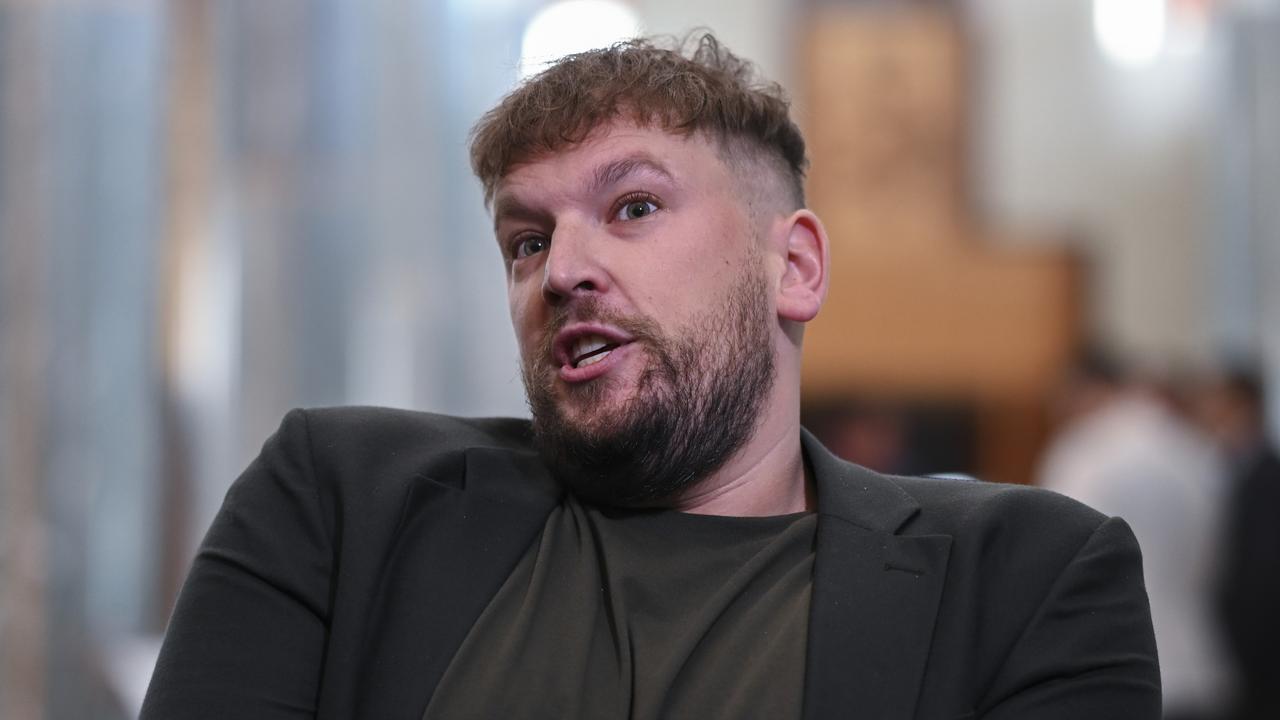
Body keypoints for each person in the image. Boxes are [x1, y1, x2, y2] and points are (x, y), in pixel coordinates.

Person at [141, 34, 1159, 719]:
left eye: (631, 207)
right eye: (525, 241)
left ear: (793, 267)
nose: (563, 271)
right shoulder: (340, 503)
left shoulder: (1025, 581)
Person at [1036, 351, 1230, 720]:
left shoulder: (1085, 451)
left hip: (1115, 672)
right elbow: (1215, 562)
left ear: (1084, 387)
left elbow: (1056, 560)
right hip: (1197, 666)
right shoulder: (1195, 450)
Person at [1197, 367, 1280, 720]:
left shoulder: (1268, 474)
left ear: (1241, 404)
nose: (1208, 410)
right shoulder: (1216, 465)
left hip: (1258, 642)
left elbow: (1264, 569)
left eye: (1216, 400)